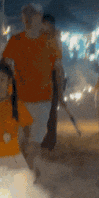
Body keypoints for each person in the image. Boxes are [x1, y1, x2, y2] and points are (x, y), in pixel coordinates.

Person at [1, 3, 62, 162]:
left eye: (31, 15)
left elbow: (58, 69)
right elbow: (5, 67)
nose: (27, 18)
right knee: (26, 139)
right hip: (24, 99)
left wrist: (60, 94)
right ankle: (27, 168)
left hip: (39, 99)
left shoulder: (48, 41)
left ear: (38, 17)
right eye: (26, 15)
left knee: (31, 140)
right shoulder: (17, 40)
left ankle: (27, 169)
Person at [41, 14, 65, 150]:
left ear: (49, 24)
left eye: (43, 24)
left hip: (53, 76)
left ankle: (50, 139)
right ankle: (48, 137)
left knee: (50, 111)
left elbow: (57, 63)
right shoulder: (46, 38)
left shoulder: (54, 39)